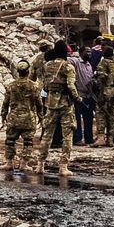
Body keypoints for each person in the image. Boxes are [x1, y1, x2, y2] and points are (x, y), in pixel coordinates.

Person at [35, 40, 78, 177]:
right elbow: (71, 86)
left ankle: (40, 164)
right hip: (65, 104)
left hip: (50, 103)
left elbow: (45, 85)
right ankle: (63, 166)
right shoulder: (68, 67)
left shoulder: (47, 66)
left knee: (47, 134)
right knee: (67, 135)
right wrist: (77, 98)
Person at [92, 40, 114, 146]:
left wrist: (99, 91)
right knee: (112, 114)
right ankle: (110, 139)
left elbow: (101, 77)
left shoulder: (104, 62)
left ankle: (101, 137)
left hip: (106, 90)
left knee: (101, 113)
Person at [70, 45, 95, 146]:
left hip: (88, 95)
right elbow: (68, 59)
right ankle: (77, 138)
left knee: (88, 119)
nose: (89, 54)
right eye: (87, 52)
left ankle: (89, 138)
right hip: (79, 95)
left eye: (90, 52)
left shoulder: (89, 65)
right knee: (77, 119)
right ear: (81, 53)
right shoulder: (76, 62)